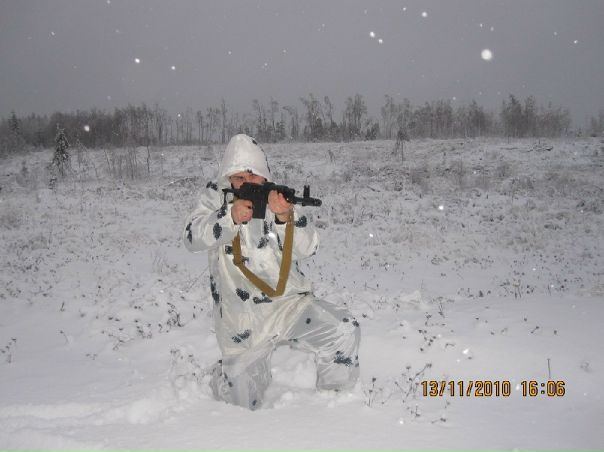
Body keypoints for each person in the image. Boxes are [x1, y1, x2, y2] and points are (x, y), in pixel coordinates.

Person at [183, 134, 360, 410]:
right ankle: (225, 376)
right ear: (228, 178)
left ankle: (336, 405)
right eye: (239, 177)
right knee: (242, 406)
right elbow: (191, 238)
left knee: (343, 330)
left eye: (253, 176)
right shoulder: (216, 198)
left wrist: (285, 217)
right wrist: (229, 217)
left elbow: (308, 247)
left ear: (264, 175)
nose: (247, 183)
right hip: (241, 322)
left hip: (288, 305)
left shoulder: (276, 198)